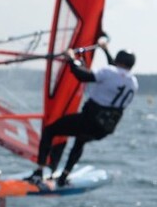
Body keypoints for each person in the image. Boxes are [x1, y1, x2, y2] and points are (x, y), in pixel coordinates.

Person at [30, 42, 138, 186]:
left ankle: (38, 173)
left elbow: (83, 75)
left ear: (118, 60)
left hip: (89, 121)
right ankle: (64, 176)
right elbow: (115, 71)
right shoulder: (133, 82)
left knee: (50, 130)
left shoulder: (110, 72)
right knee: (80, 140)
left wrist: (71, 59)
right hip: (106, 128)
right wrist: (105, 51)